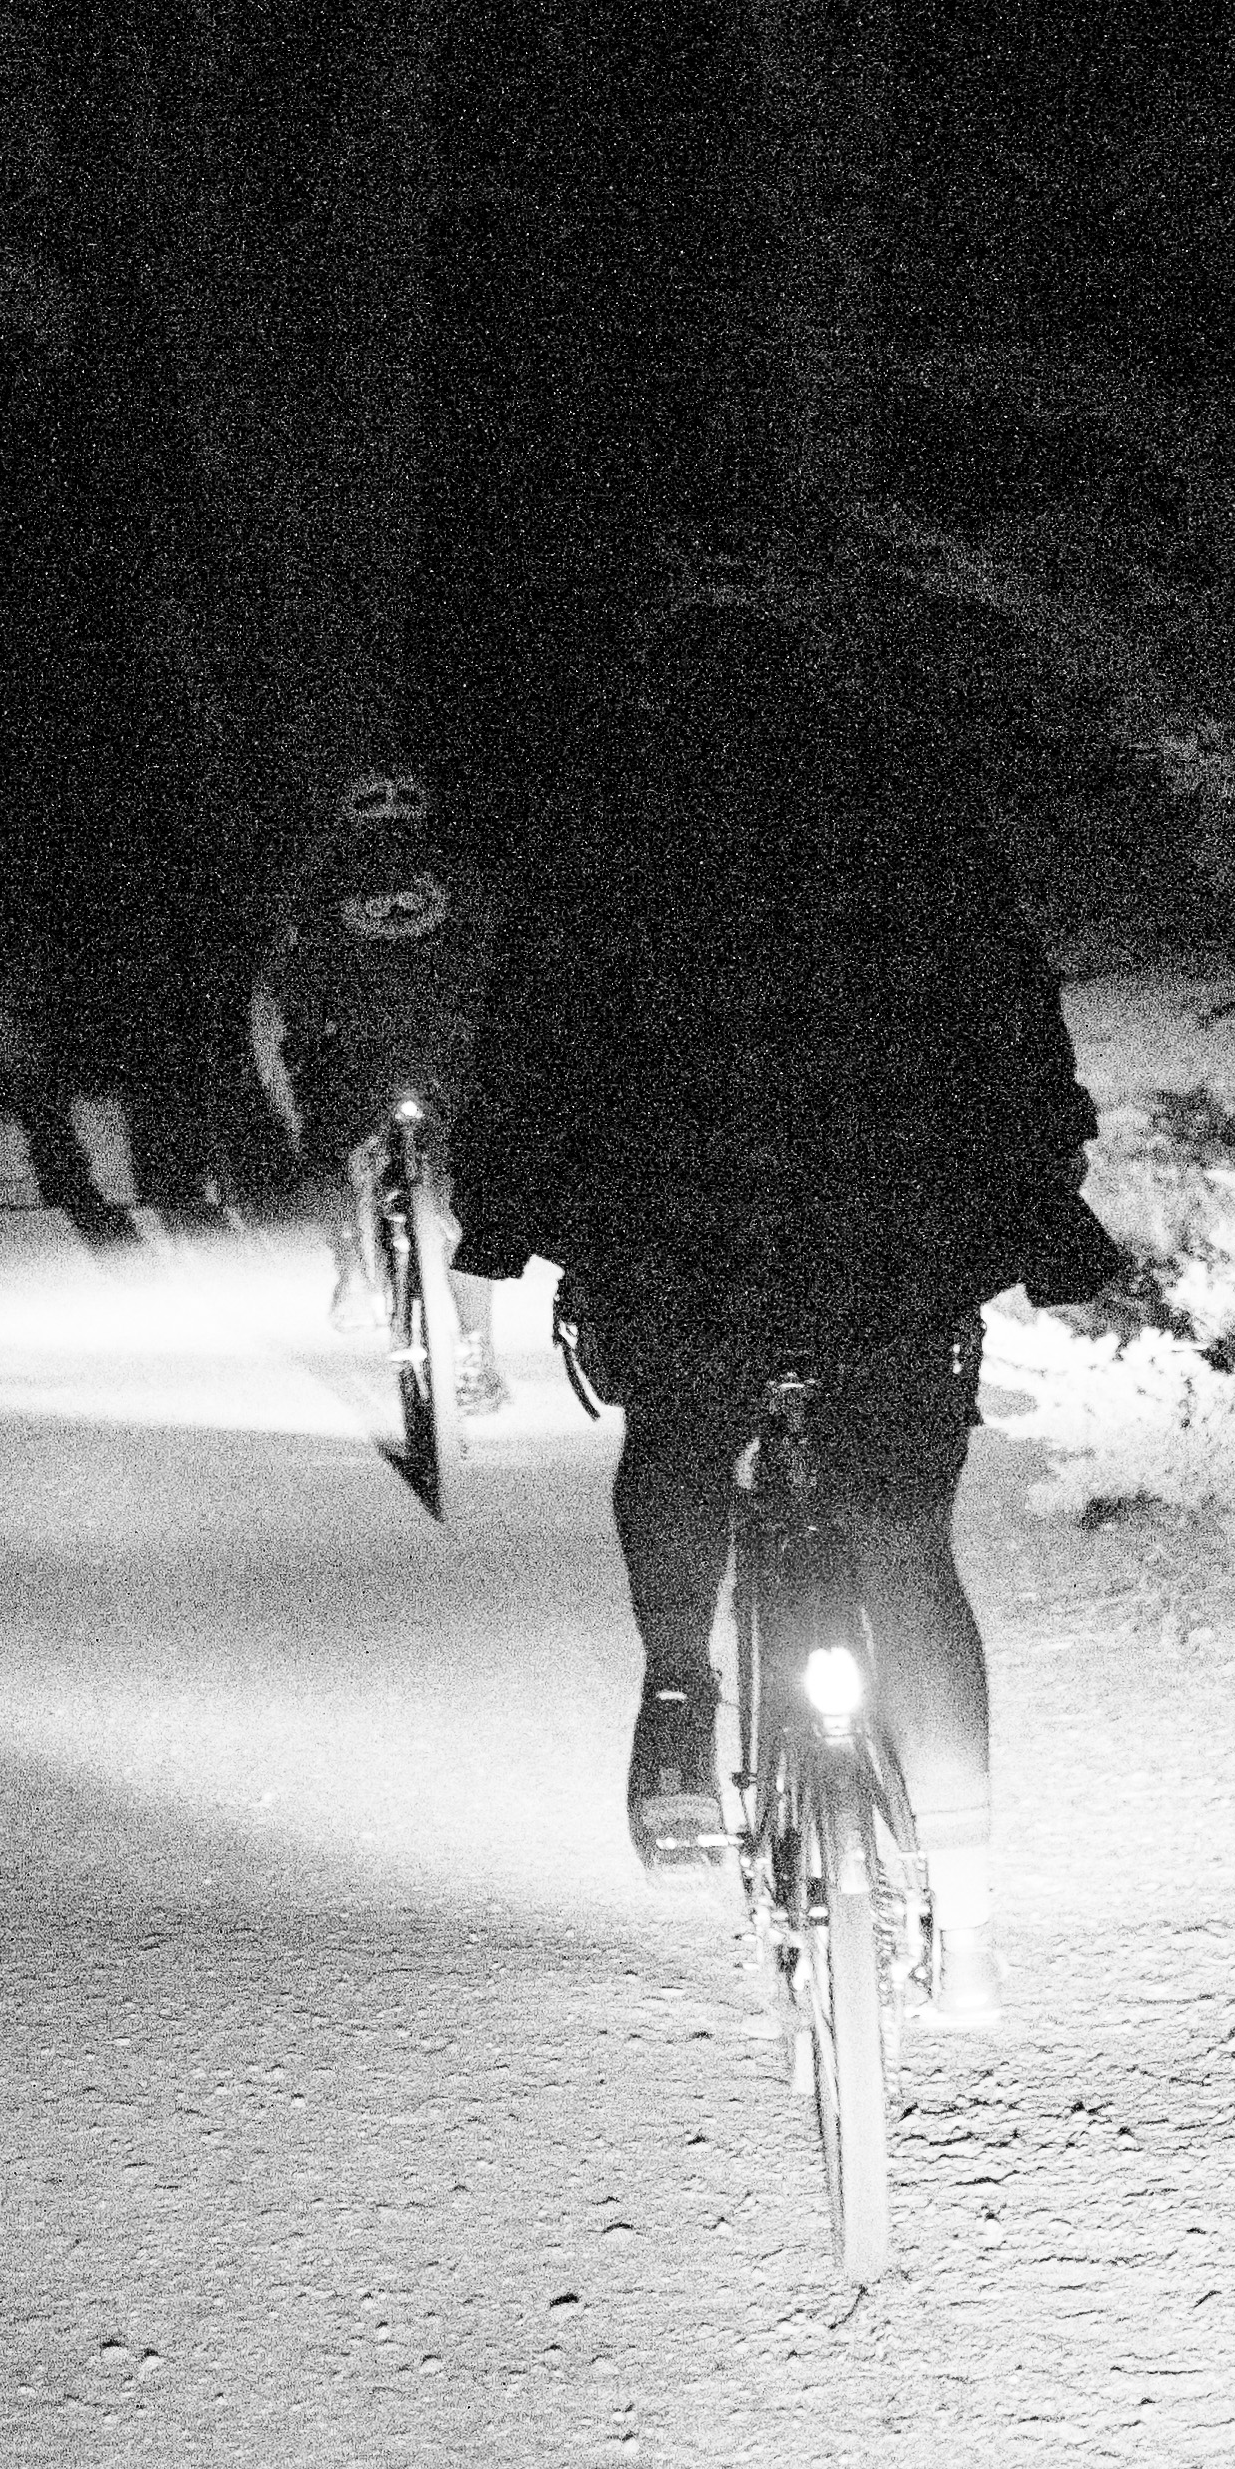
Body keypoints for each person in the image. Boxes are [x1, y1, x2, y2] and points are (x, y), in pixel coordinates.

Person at [455, 586, 1116, 2027]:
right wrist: (1040, 1195)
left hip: (681, 1242)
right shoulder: (909, 805)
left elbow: (531, 1038)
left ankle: (681, 1697)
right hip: (895, 1243)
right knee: (904, 1545)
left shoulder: (610, 822)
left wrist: (504, 1219)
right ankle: (977, 1928)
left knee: (680, 1444)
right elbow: (1010, 1012)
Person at [247, 763, 503, 1401]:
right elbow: (281, 983)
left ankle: (451, 1330)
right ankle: (452, 1333)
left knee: (451, 1180)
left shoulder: (456, 882)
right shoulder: (319, 889)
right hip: (391, 1053)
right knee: (345, 1144)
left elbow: (499, 960)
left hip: (417, 1052)